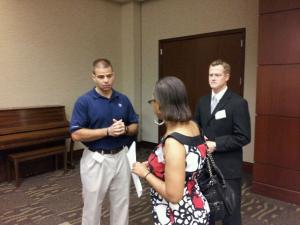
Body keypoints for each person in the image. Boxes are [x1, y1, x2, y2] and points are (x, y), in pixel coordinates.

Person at [132, 76, 210, 225]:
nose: (152, 105)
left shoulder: (174, 142)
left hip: (179, 215)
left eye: (152, 101)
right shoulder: (194, 126)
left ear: (160, 105)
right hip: (196, 205)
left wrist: (145, 174)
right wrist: (154, 166)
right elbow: (187, 165)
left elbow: (174, 195)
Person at [70, 58, 139, 225]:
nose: (106, 80)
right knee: (92, 205)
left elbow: (135, 125)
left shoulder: (123, 99)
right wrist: (107, 131)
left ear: (113, 75)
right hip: (96, 158)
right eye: (101, 77)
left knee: (121, 202)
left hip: (121, 156)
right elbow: (76, 135)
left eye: (109, 76)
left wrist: (125, 129)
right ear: (93, 77)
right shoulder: (84, 101)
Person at [194, 59, 251, 225]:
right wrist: (198, 137)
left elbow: (243, 136)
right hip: (205, 165)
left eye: (217, 75)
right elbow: (196, 125)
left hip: (228, 167)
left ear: (227, 77)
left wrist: (216, 144)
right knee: (206, 209)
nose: (212, 78)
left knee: (230, 212)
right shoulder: (203, 101)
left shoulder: (238, 103)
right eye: (210, 75)